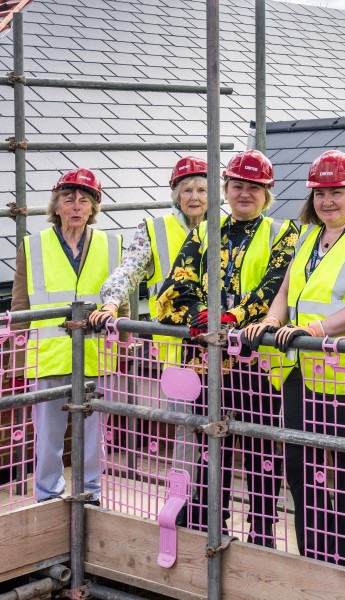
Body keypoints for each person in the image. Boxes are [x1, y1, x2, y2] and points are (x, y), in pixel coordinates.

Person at [242, 150, 345, 571]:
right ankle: (316, 556)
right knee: (299, 466)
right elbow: (288, 291)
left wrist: (314, 331)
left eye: (336, 192)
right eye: (321, 193)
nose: (328, 201)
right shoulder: (306, 236)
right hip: (302, 371)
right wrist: (271, 320)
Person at [156, 149, 298, 547]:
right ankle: (207, 524)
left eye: (255, 186)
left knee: (260, 454)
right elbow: (176, 283)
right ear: (227, 188)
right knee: (208, 447)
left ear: (268, 192)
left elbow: (276, 286)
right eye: (237, 185)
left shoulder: (283, 233)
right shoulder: (203, 232)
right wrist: (203, 313)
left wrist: (234, 317)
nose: (245, 193)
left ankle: (261, 534)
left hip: (259, 365)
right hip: (207, 362)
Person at [88, 157, 208, 478]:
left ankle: (214, 506)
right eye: (187, 190)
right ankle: (188, 504)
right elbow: (128, 270)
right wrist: (111, 301)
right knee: (185, 431)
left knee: (220, 432)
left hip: (219, 350)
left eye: (201, 189)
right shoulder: (154, 230)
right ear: (175, 194)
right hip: (177, 353)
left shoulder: (226, 228)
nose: (194, 197)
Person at [11, 168, 125, 504]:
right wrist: (15, 357)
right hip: (47, 356)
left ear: (93, 208)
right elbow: (20, 305)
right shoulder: (33, 246)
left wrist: (124, 343)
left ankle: (91, 495)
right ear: (56, 206)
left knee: (93, 437)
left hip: (96, 356)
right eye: (68, 198)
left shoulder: (112, 244)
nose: (76, 205)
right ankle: (48, 498)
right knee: (47, 437)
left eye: (84, 200)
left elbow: (123, 305)